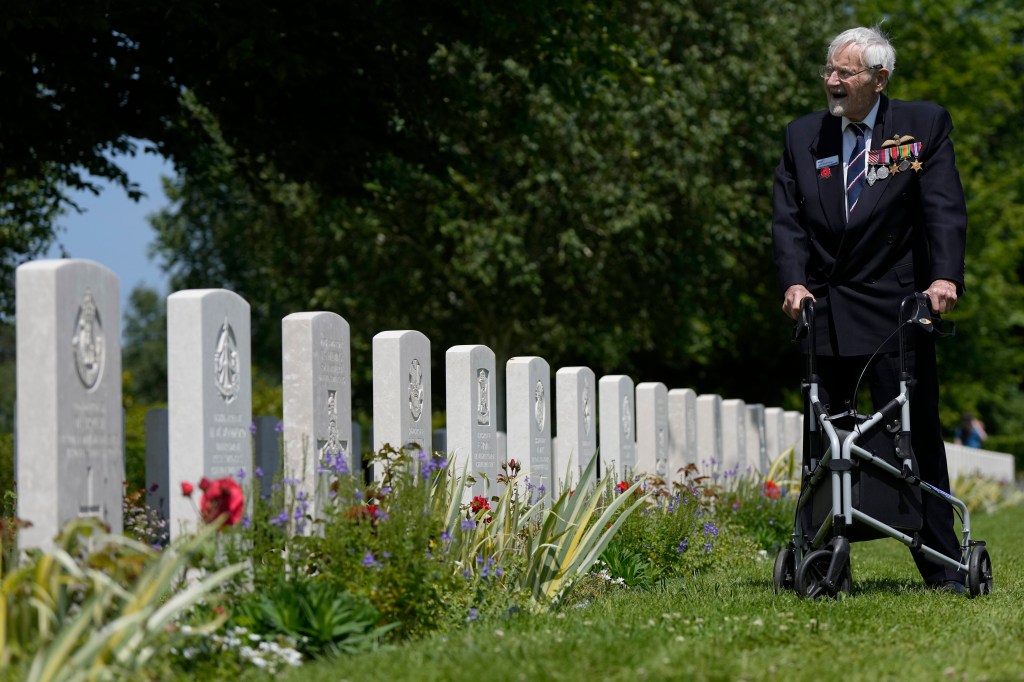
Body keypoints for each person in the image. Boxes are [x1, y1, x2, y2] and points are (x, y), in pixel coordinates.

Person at [772, 26, 968, 592]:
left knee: (916, 438)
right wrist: (793, 283)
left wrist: (944, 276)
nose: (832, 82)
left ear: (879, 79)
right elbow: (789, 222)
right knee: (821, 440)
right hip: (827, 306)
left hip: (898, 307)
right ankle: (821, 566)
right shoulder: (803, 136)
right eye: (828, 71)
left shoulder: (922, 126)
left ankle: (943, 568)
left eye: (845, 73)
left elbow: (943, 208)